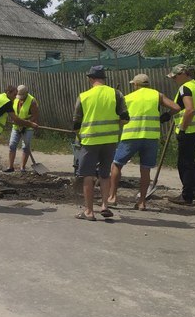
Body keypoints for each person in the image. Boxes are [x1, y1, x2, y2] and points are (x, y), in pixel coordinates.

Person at [107, 73, 180, 210]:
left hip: (131, 136)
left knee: (117, 165)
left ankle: (112, 197)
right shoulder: (156, 95)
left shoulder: (127, 98)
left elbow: (117, 115)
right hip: (151, 137)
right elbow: (176, 107)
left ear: (135, 85)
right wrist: (166, 115)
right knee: (145, 169)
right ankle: (142, 202)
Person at [72, 65, 129, 221]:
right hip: (110, 141)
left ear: (91, 79)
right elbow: (125, 118)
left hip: (90, 141)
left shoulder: (84, 96)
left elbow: (76, 123)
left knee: (88, 176)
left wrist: (80, 136)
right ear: (104, 79)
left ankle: (89, 212)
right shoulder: (116, 94)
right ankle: (105, 205)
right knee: (105, 174)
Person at [167, 64, 195, 205]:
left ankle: (187, 196)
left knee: (184, 163)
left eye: (175, 77)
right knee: (190, 160)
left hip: (189, 131)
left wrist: (183, 129)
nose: (174, 79)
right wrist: (169, 115)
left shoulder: (185, 88)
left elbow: (189, 110)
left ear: (184, 74)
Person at [0, 85, 38, 183]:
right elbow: (15, 119)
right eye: (14, 94)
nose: (15, 97)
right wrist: (30, 124)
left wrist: (26, 124)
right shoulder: (7, 102)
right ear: (8, 93)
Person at [3, 85, 40, 173]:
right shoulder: (15, 98)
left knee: (25, 147)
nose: (20, 98)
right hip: (16, 126)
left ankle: (22, 167)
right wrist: (17, 122)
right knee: (12, 145)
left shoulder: (32, 101)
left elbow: (35, 116)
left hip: (28, 127)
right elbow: (12, 112)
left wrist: (25, 124)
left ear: (26, 94)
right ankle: (10, 167)